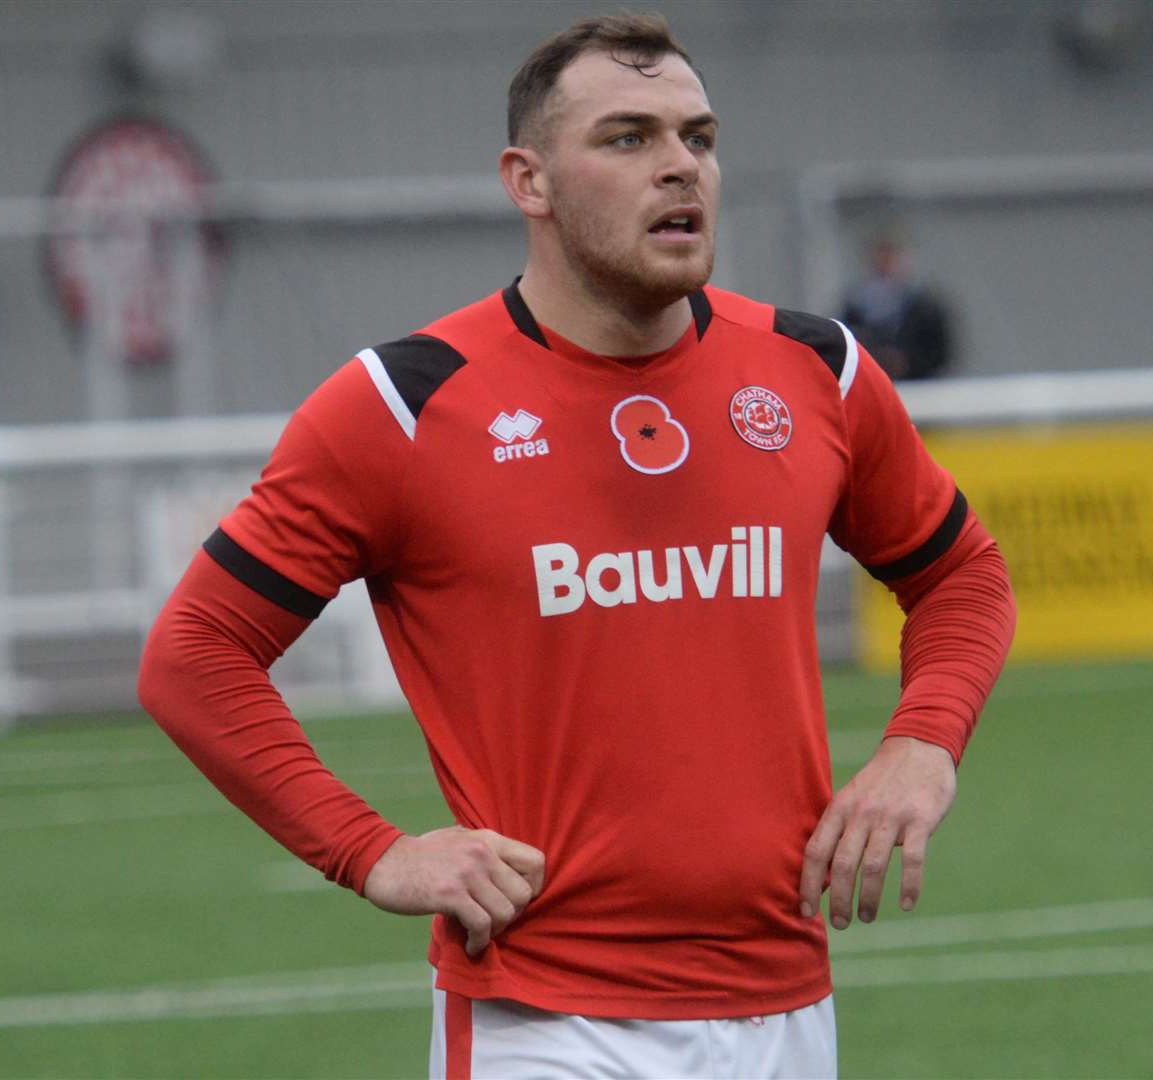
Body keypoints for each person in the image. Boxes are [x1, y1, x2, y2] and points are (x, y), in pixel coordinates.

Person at [137, 14, 1015, 1079]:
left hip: (786, 1002)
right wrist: (372, 852)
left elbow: (963, 576)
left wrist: (920, 747)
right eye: (628, 138)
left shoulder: (812, 372)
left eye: (698, 136)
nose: (680, 167)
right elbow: (195, 655)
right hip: (545, 1021)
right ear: (530, 181)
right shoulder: (402, 406)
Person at [840, 231, 955, 380]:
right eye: (881, 254)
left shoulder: (926, 308)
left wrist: (907, 363)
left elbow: (940, 353)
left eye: (892, 255)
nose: (885, 262)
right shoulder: (855, 307)